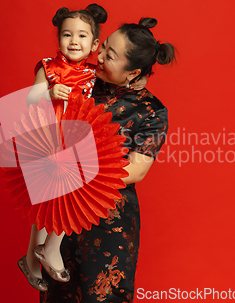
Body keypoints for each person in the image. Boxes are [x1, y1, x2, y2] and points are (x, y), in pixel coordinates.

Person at [40, 17, 176, 302]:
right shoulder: (83, 82)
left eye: (109, 56)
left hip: (108, 219)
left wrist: (76, 171)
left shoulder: (151, 111)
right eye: (102, 47)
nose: (97, 56)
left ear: (133, 72)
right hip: (64, 212)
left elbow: (136, 170)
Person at [18, 3, 109, 291]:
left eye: (82, 36)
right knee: (45, 206)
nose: (73, 41)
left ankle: (41, 254)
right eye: (67, 35)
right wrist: (47, 92)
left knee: (63, 199)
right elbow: (30, 100)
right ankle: (39, 256)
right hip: (48, 139)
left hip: (75, 143)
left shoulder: (95, 75)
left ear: (94, 44)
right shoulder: (48, 67)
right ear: (58, 39)